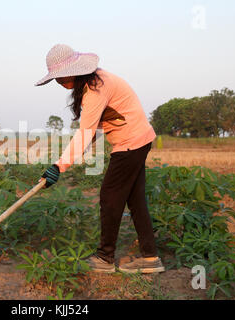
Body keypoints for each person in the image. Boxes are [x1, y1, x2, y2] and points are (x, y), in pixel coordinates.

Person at [35, 44, 165, 274]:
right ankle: (150, 258)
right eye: (56, 79)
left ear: (74, 70)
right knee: (135, 201)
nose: (59, 82)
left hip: (131, 143)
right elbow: (92, 131)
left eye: (61, 77)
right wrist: (72, 154)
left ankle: (105, 257)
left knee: (109, 197)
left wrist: (59, 166)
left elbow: (85, 133)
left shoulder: (95, 90)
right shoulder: (94, 83)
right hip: (137, 140)